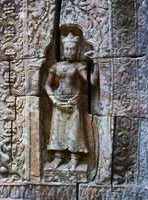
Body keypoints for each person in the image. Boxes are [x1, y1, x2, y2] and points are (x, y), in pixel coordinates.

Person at [45, 32, 98, 171]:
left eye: (72, 49)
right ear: (63, 49)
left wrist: (96, 63)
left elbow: (92, 82)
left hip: (74, 104)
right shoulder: (56, 66)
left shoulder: (79, 66)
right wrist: (54, 99)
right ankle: (59, 156)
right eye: (67, 49)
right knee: (57, 130)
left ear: (77, 50)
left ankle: (75, 158)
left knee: (74, 131)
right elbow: (47, 85)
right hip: (58, 102)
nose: (70, 52)